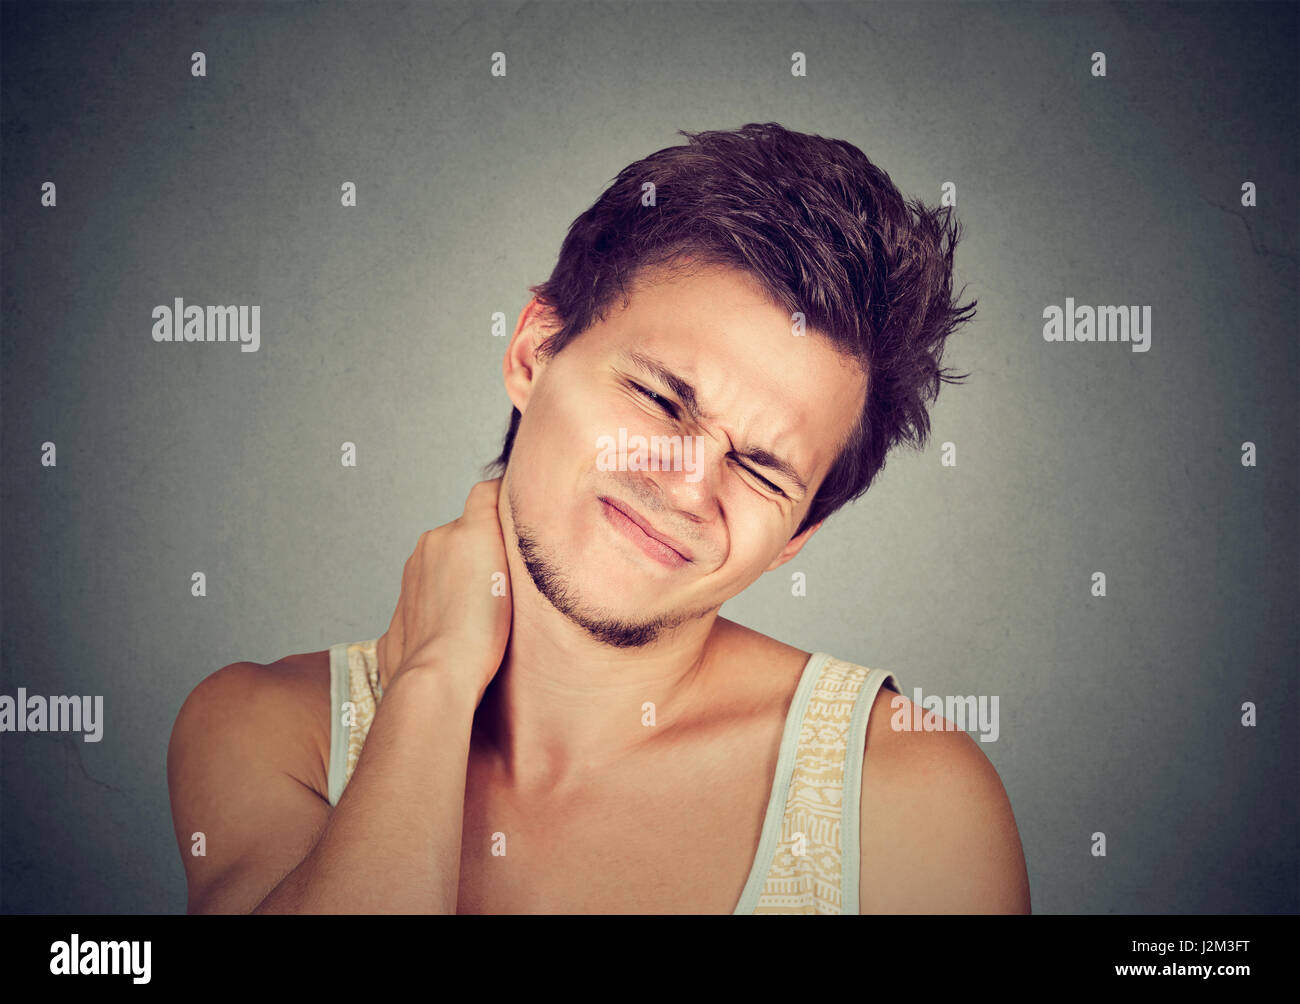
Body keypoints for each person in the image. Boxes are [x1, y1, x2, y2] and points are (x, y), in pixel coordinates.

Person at [167, 123, 1030, 914]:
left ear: (796, 540)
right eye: (659, 397)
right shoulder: (265, 729)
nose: (690, 487)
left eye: (764, 471)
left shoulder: (907, 796)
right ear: (534, 351)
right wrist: (432, 683)